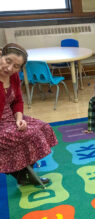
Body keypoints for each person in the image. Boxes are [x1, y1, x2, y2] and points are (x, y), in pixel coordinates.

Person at [0, 43, 58, 186]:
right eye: (8, 61)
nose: (10, 68)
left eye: (16, 66)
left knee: (43, 127)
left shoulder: (13, 77)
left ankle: (25, 172)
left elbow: (18, 100)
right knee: (30, 135)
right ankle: (19, 172)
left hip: (10, 117)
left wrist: (19, 119)